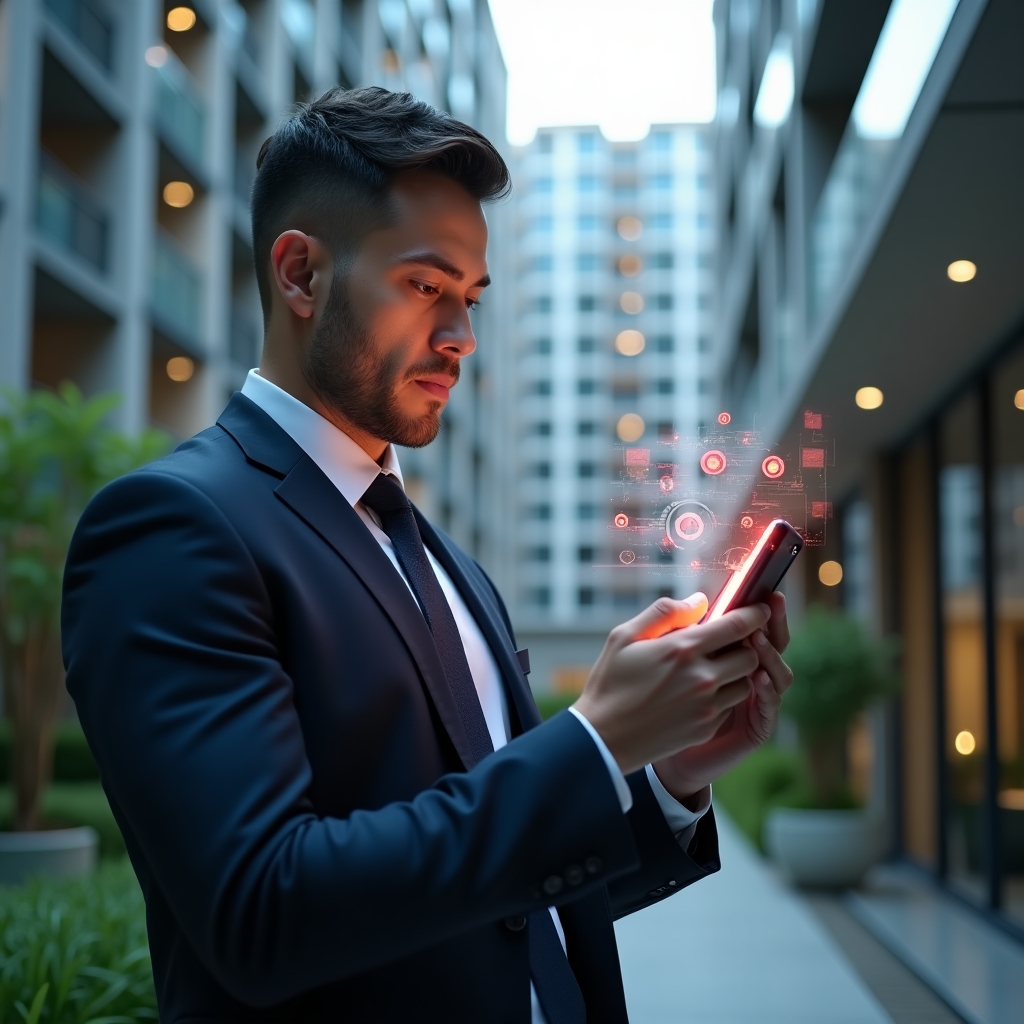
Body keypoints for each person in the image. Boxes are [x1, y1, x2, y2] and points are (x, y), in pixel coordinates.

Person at [62, 87, 793, 1024]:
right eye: (424, 286)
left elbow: (504, 900)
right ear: (300, 274)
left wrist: (666, 776)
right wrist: (594, 742)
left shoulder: (451, 563)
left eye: (472, 296)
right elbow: (262, 913)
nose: (462, 339)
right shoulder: (170, 529)